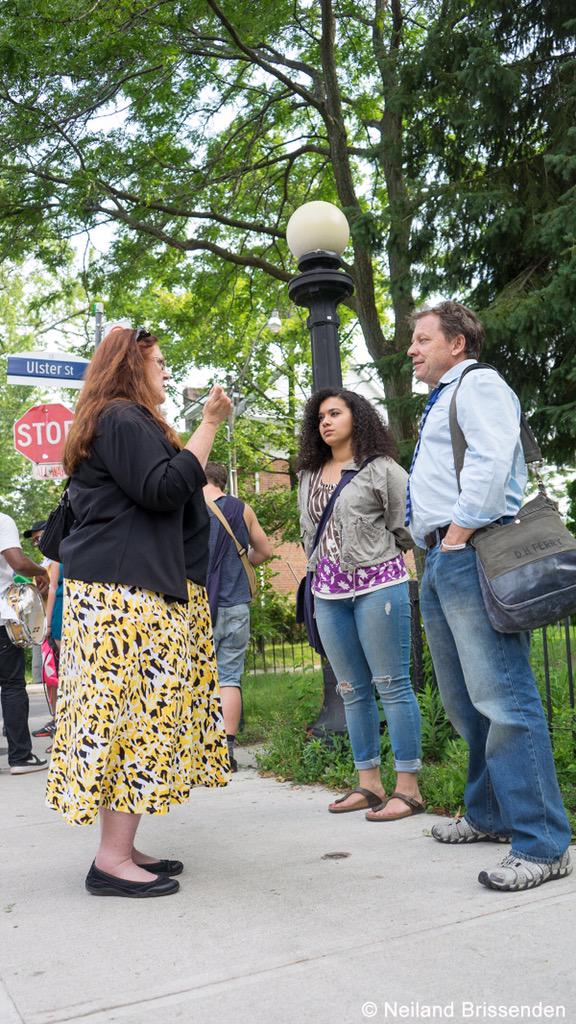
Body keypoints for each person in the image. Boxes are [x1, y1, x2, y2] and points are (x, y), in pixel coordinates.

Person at [45, 325, 232, 899]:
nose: (167, 371)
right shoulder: (123, 417)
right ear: (131, 364)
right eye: (160, 361)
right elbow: (164, 488)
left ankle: (123, 848)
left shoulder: (119, 420)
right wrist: (210, 425)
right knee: (130, 722)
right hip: (125, 596)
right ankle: (110, 861)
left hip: (123, 589)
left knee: (133, 719)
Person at [406, 299, 572, 891]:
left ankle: (545, 842)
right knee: (466, 703)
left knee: (505, 700)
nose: (412, 349)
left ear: (457, 343)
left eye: (423, 339)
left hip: (471, 552)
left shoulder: (478, 383)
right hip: (443, 559)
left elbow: (490, 460)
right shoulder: (442, 399)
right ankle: (490, 813)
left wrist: (455, 535)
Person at [297, 388, 423, 821]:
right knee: (351, 690)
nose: (326, 422)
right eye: (320, 417)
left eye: (335, 413)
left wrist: (377, 557)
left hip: (378, 587)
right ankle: (368, 784)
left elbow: (407, 524)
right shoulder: (310, 474)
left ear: (359, 418)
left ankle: (408, 788)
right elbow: (307, 531)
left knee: (392, 684)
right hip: (328, 594)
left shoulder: (382, 469)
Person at [203, 462, 273, 771]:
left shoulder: (183, 507)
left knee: (197, 678)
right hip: (235, 605)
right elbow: (264, 551)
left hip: (197, 605)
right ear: (221, 481)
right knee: (229, 677)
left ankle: (200, 750)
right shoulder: (242, 509)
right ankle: (226, 752)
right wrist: (243, 563)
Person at [0, 513, 49, 774]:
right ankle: (20, 757)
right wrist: (42, 571)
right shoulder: (2, 521)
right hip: (0, 621)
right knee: (11, 686)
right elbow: (17, 563)